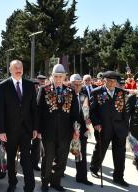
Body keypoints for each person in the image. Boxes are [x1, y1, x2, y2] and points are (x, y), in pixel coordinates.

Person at [0, 59, 38, 192]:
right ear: (10, 70)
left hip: (26, 130)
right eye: (15, 67)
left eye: (20, 67)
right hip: (9, 131)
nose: (18, 69)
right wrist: (1, 130)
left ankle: (29, 186)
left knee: (26, 159)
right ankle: (12, 183)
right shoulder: (3, 86)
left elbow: (34, 109)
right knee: (11, 159)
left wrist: (35, 127)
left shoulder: (30, 85)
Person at [37, 64, 78, 192]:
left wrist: (76, 129)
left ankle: (56, 182)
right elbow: (38, 111)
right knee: (48, 159)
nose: (58, 79)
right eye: (56, 76)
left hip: (65, 132)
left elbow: (75, 113)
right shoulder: (44, 89)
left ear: (65, 77)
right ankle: (45, 183)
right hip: (48, 132)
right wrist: (38, 130)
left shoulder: (70, 91)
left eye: (61, 76)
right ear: (52, 76)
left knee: (62, 159)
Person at [89, 71, 130, 187]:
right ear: (104, 81)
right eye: (109, 80)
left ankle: (118, 177)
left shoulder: (122, 93)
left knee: (120, 154)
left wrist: (126, 127)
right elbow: (92, 111)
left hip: (119, 129)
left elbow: (126, 112)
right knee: (100, 149)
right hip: (103, 127)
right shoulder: (96, 92)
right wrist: (96, 123)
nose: (112, 83)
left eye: (114, 81)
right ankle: (94, 168)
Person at [70, 74, 93, 186]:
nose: (77, 86)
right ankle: (56, 176)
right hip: (67, 129)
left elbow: (86, 112)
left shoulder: (84, 96)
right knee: (60, 154)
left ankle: (81, 177)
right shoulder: (67, 95)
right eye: (75, 84)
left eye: (79, 84)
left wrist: (87, 122)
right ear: (71, 84)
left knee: (80, 153)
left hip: (81, 129)